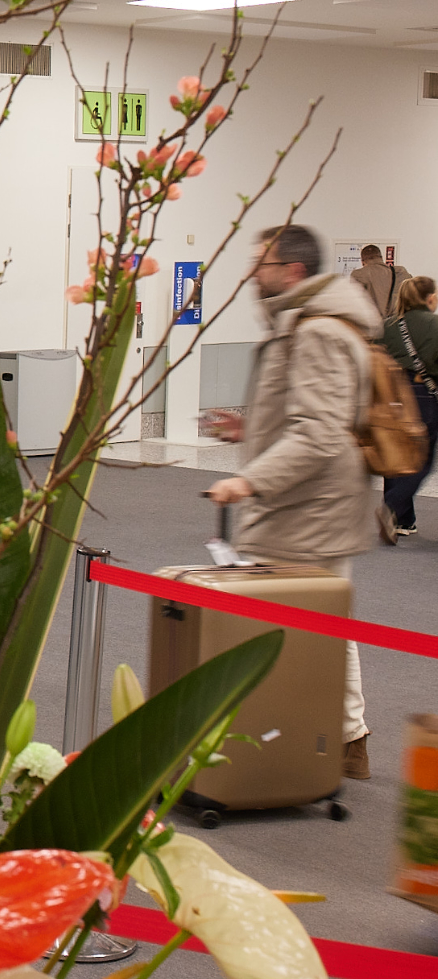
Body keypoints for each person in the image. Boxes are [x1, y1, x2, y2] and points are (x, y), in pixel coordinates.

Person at [204, 224, 378, 779]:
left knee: (299, 628)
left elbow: (320, 433)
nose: (254, 273)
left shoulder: (318, 331)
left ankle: (315, 744)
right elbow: (308, 416)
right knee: (324, 624)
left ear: (294, 271)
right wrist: (250, 430)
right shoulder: (305, 324)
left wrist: (248, 481)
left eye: (262, 263)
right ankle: (343, 740)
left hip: (308, 510)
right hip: (306, 506)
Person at [380, 275, 438, 538]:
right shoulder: (434, 325)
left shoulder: (386, 326)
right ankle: (391, 507)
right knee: (420, 459)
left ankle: (404, 520)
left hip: (391, 395)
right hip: (423, 395)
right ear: (430, 298)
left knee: (395, 456)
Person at [347, 244, 409, 324]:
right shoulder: (401, 272)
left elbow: (355, 303)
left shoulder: (358, 274)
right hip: (397, 326)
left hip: (372, 326)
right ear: (381, 258)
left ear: (363, 261)